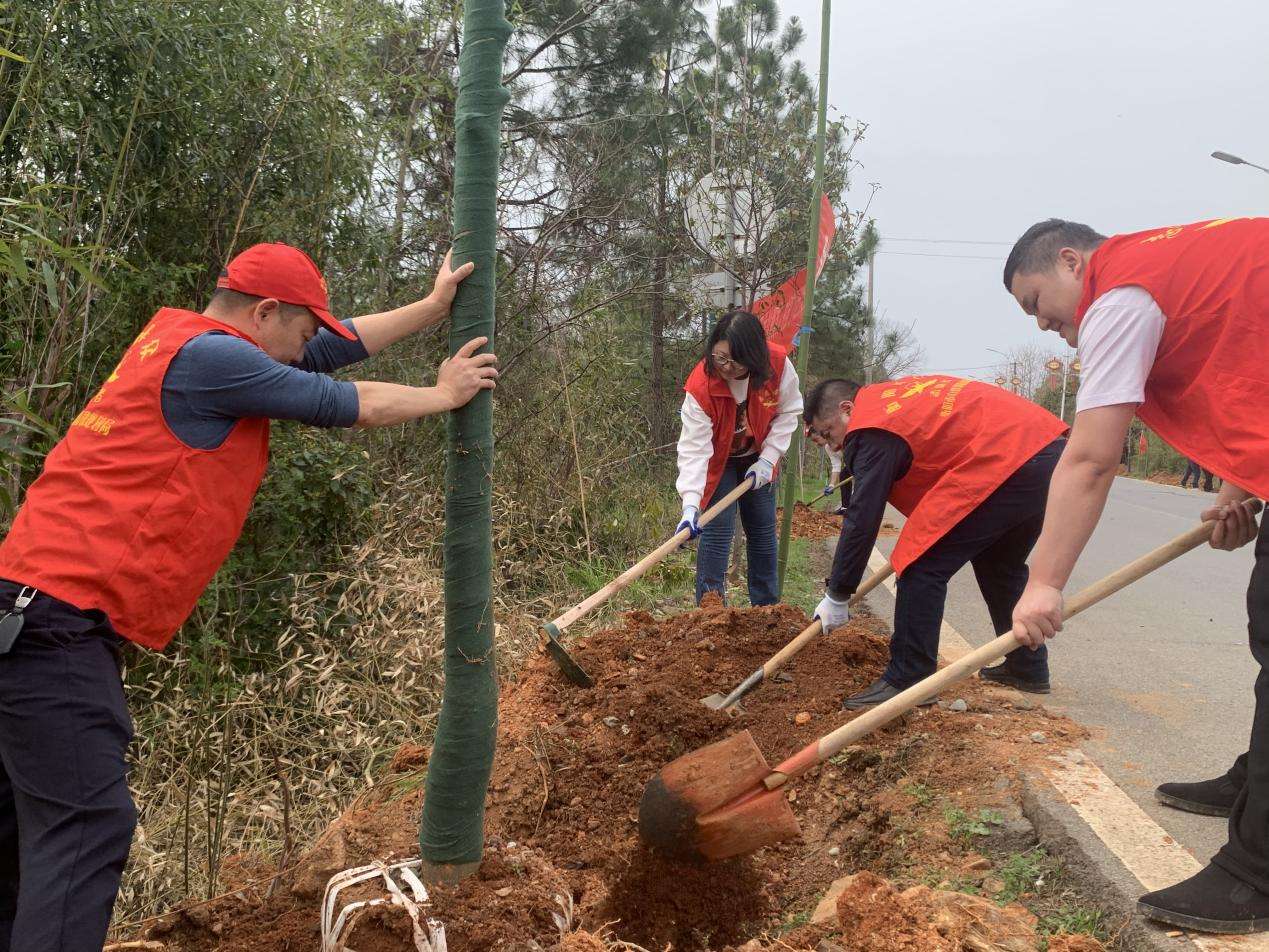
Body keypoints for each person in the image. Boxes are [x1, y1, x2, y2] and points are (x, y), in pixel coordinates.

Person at [0, 242, 497, 951]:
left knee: (23, 834)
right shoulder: (214, 360)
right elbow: (340, 400)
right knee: (86, 826)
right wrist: (444, 394)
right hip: (55, 626)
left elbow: (326, 354)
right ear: (264, 312)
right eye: (301, 329)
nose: (309, 344)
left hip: (22, 613)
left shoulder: (180, 342)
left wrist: (430, 308)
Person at [1003, 216, 1269, 933]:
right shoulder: (1164, 268)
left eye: (1036, 303)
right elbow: (1250, 354)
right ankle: (1257, 784)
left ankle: (1257, 874)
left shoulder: (1119, 295)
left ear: (1068, 262)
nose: (1043, 325)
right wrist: (1240, 481)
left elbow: (1090, 458)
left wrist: (1044, 582)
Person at [803, 375, 1067, 709]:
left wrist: (838, 594)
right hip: (1045, 451)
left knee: (920, 561)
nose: (833, 445)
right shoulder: (890, 403)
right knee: (999, 564)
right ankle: (1027, 666)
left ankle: (909, 679)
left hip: (1008, 455)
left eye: (828, 433)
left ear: (846, 409)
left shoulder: (871, 425)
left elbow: (863, 516)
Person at [676, 309, 802, 606]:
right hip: (719, 461)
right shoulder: (701, 386)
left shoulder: (778, 366)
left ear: (754, 356)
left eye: (735, 361)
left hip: (759, 456)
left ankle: (767, 612)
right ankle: (711, 612)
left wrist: (768, 460)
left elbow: (789, 412)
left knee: (761, 531)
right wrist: (690, 506)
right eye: (720, 357)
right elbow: (694, 450)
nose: (726, 367)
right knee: (717, 531)